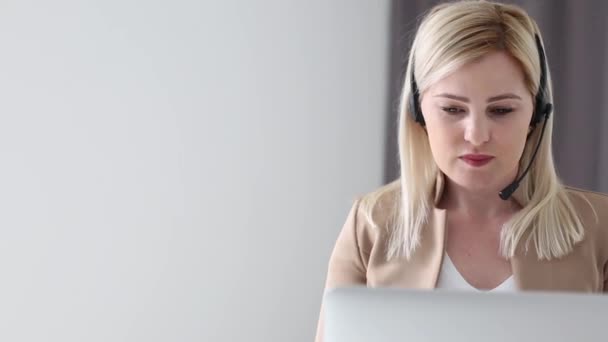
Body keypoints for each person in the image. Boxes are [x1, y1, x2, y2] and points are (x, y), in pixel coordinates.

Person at [315, 1, 608, 341]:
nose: (477, 135)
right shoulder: (370, 224)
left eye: (501, 110)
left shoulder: (599, 230)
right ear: (418, 111)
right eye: (453, 109)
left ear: (537, 113)